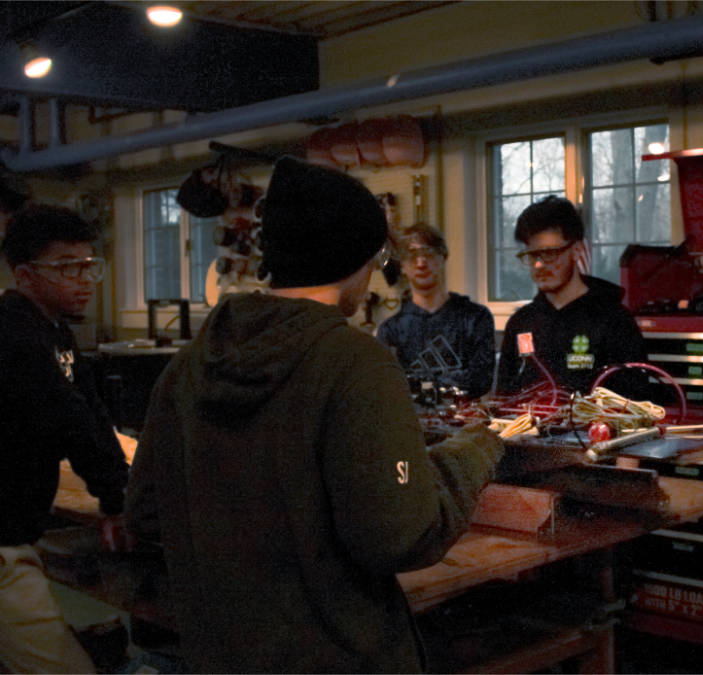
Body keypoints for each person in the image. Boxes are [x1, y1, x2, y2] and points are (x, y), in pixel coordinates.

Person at [125, 157, 504, 673]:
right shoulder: (353, 360)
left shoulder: (191, 364)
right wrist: (476, 451)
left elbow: (146, 511)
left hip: (222, 654)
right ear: (356, 257)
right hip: (337, 656)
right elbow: (401, 534)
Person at [0, 205, 130, 674]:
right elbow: (71, 420)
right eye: (67, 267)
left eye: (88, 265)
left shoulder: (55, 331)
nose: (84, 279)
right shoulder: (15, 335)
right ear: (26, 275)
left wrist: (118, 488)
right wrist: (116, 499)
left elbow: (92, 413)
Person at [496, 195, 647, 397]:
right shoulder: (521, 323)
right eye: (532, 255)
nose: (539, 265)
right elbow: (503, 401)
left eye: (549, 253)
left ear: (576, 250)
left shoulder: (615, 321)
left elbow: (636, 406)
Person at [377, 223, 496, 398]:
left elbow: (481, 381)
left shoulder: (475, 318)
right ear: (401, 265)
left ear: (443, 258)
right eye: (411, 255)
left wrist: (417, 384)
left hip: (464, 423)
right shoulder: (390, 331)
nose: (421, 263)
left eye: (428, 253)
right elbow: (391, 388)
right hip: (413, 424)